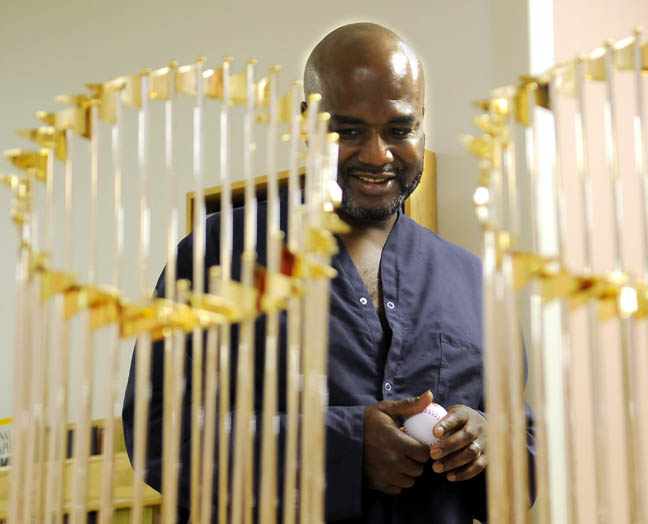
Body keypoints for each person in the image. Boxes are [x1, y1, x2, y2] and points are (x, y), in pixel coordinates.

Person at [122, 22, 535, 523]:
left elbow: (520, 443)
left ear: (423, 123)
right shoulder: (215, 255)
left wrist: (489, 443)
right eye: (349, 131)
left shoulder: (475, 283)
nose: (378, 154)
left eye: (400, 130)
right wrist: (342, 448)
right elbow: (160, 436)